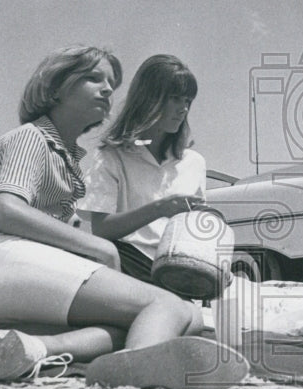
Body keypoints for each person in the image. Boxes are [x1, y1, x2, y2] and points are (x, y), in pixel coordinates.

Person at [0, 46, 248, 389]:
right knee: (171, 307)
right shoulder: (31, 137)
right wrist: (98, 246)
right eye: (93, 78)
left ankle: (33, 349)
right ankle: (140, 368)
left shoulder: (68, 160)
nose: (107, 90)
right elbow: (5, 209)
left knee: (146, 322)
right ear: (54, 86)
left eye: (111, 84)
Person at [79, 54, 207, 284]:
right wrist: (159, 209)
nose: (184, 109)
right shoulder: (112, 156)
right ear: (149, 99)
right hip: (126, 264)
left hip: (176, 269)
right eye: (175, 99)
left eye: (188, 100)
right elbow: (101, 230)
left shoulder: (194, 163)